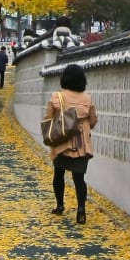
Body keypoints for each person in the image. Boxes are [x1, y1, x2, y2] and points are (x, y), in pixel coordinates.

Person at [45, 64, 98, 224]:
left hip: (62, 141)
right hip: (81, 144)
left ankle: (60, 205)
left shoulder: (56, 97)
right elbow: (93, 120)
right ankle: (81, 208)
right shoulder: (87, 99)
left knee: (58, 174)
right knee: (79, 178)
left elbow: (48, 118)